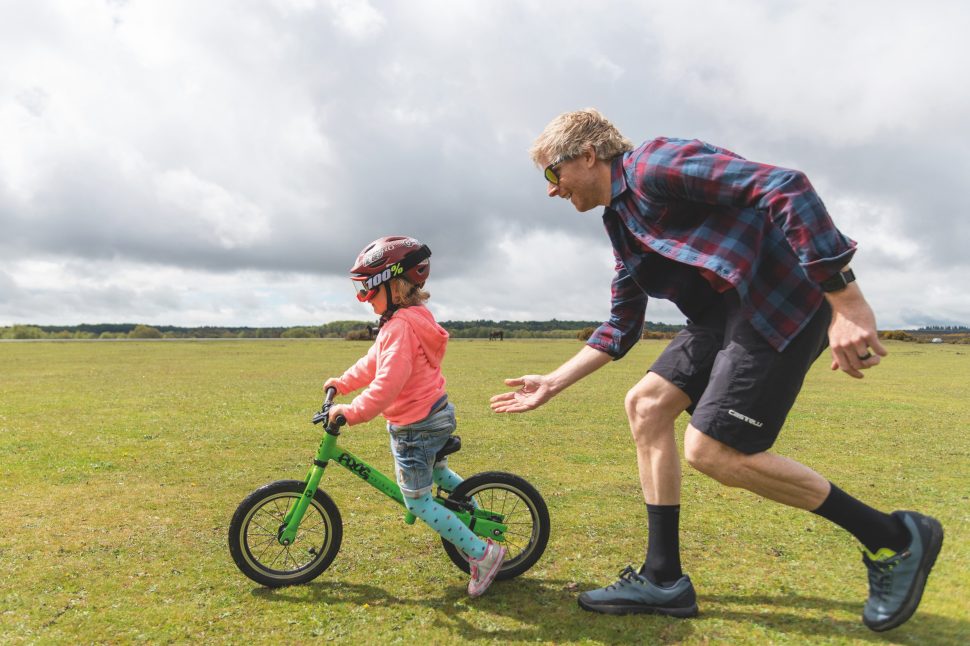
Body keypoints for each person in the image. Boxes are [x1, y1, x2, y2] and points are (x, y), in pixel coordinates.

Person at [490, 109, 943, 631]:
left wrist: (848, 303)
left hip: (777, 301)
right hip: (720, 316)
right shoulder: (621, 223)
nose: (551, 190)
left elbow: (785, 186)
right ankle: (663, 579)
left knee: (714, 451)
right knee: (645, 405)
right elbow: (622, 325)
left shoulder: (654, 163)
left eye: (553, 173)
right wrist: (553, 381)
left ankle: (896, 537)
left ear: (588, 155)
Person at [326, 235, 506, 597]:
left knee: (418, 500)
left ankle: (483, 553)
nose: (363, 299)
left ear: (393, 285)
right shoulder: (407, 319)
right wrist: (343, 383)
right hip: (433, 412)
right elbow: (373, 362)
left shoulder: (400, 327)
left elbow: (388, 383)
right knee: (437, 472)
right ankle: (474, 518)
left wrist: (353, 411)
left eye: (367, 290)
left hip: (417, 425)